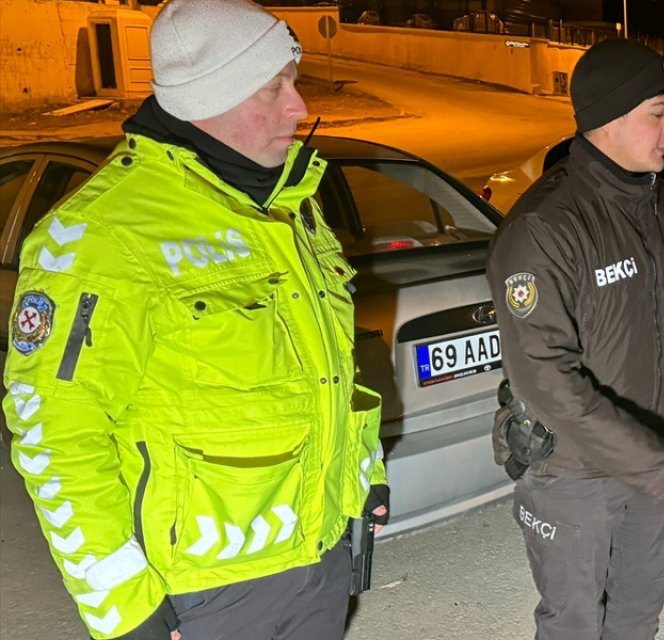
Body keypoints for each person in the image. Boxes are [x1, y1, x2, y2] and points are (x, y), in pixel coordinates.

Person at [3, 1, 388, 638]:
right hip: (205, 592)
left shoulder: (288, 208)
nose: (299, 107)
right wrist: (124, 608)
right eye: (275, 87)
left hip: (318, 555)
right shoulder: (102, 236)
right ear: (212, 99)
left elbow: (329, 373)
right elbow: (55, 435)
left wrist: (361, 477)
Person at [485, 39, 664, 640]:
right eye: (659, 112)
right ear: (609, 117)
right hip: (572, 472)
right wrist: (651, 461)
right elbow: (545, 376)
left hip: (650, 457)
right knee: (574, 625)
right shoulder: (545, 227)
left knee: (639, 613)